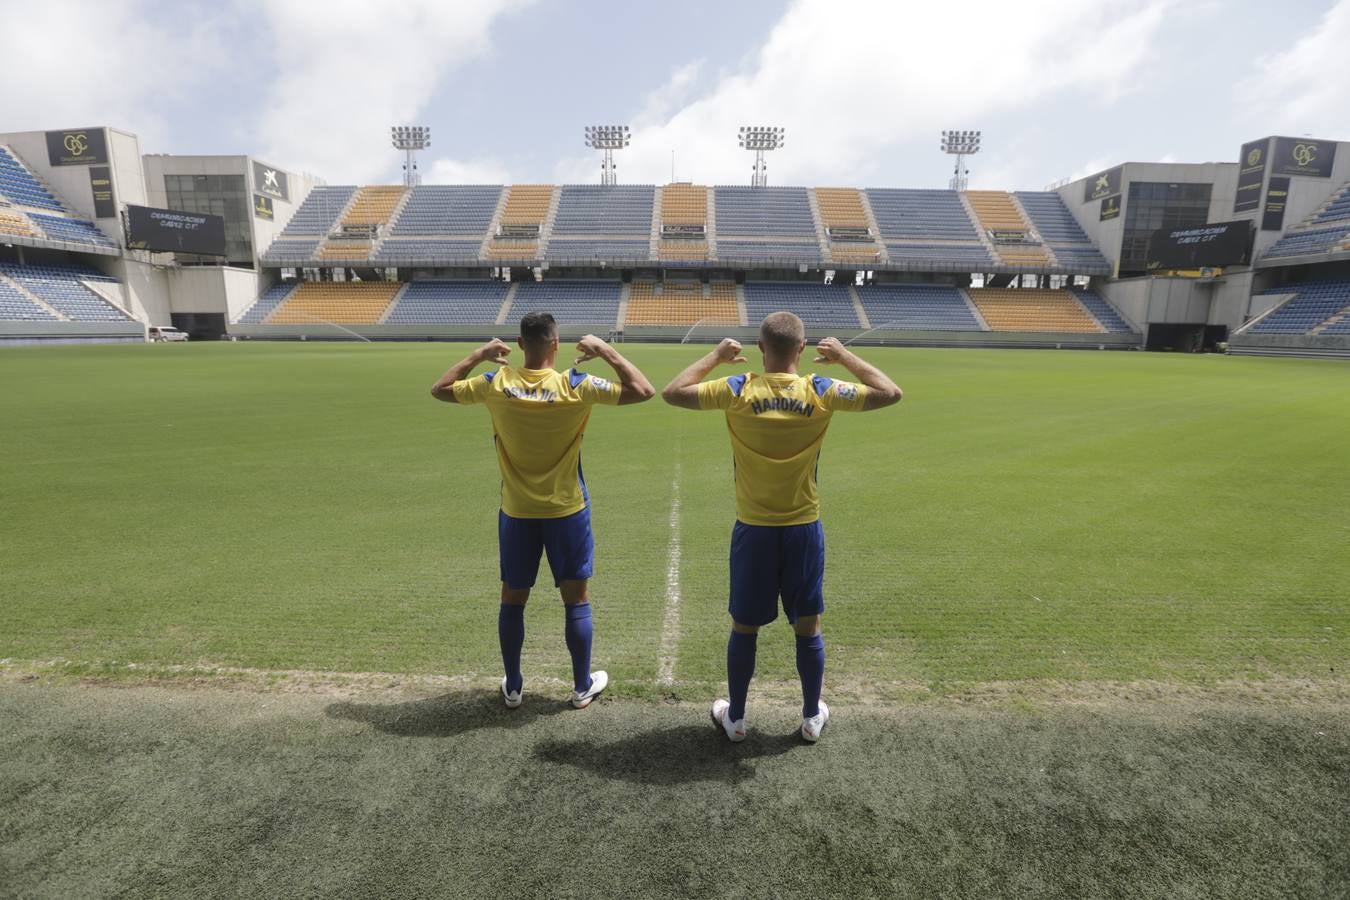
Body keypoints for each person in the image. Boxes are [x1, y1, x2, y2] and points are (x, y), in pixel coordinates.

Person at [661, 312, 902, 742]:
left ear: (760, 347)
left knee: (744, 627)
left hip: (753, 529)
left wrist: (716, 355)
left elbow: (673, 392)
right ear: (803, 350)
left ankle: (735, 718)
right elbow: (890, 392)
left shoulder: (738, 389)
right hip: (802, 529)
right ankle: (811, 717)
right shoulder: (820, 390)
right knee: (808, 625)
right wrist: (845, 356)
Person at [431, 311, 654, 709]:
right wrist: (604, 350)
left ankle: (514, 686)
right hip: (566, 509)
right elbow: (642, 389)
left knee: (512, 599)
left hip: (517, 511)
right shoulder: (575, 384)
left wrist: (480, 353)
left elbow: (441, 388)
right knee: (576, 600)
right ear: (556, 344)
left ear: (519, 345)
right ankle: (581, 685)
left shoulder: (497, 382)